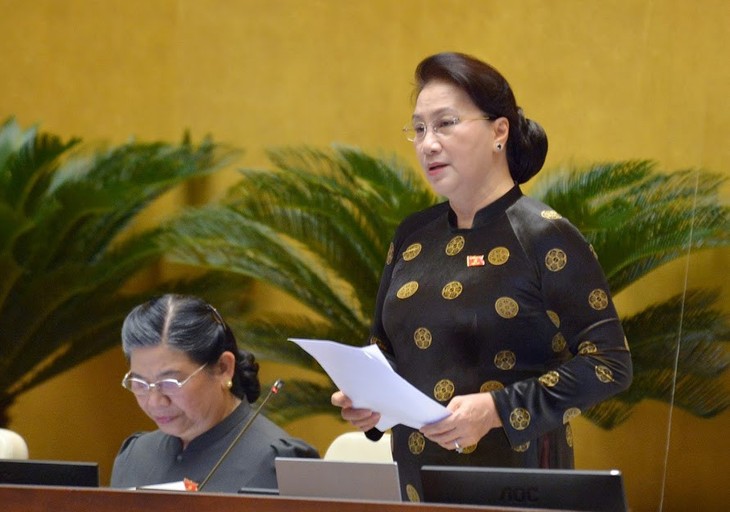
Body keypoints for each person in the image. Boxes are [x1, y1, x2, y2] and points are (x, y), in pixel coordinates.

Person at [331, 52, 633, 502]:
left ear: (499, 131)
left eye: (445, 123)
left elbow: (610, 364)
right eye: (418, 128)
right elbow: (388, 354)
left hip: (520, 485)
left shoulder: (544, 234)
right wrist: (370, 402)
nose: (427, 143)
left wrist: (497, 409)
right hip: (416, 483)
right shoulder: (412, 236)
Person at [110, 294, 319, 492]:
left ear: (223, 368)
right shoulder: (135, 456)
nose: (155, 401)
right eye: (140, 383)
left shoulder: (280, 462)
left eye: (170, 382)